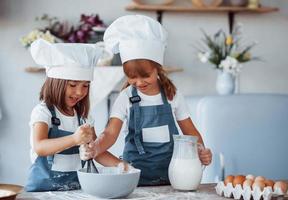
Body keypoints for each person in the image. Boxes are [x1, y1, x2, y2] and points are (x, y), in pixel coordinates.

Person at [80, 15, 212, 186]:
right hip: (134, 177)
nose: (139, 82)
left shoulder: (172, 95)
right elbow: (110, 134)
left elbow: (190, 132)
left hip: (172, 177)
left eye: (145, 76)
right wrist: (96, 147)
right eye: (132, 77)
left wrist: (201, 151)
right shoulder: (126, 97)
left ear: (157, 68)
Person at [25, 39, 125, 192]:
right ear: (55, 83)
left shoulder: (84, 117)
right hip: (45, 192)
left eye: (85, 85)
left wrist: (121, 166)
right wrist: (74, 139)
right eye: (72, 85)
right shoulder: (43, 112)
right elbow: (40, 147)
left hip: (76, 190)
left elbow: (96, 151)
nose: (80, 92)